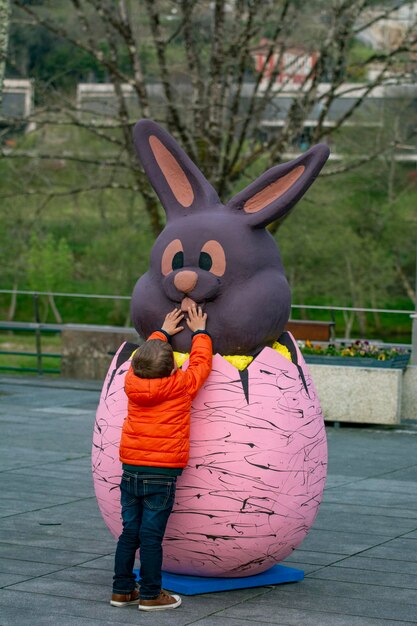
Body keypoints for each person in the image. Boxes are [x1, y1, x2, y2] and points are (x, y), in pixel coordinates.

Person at [110, 305, 212, 612]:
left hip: (131, 472)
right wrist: (201, 333)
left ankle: (122, 590)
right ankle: (152, 594)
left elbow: (143, 357)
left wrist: (161, 332)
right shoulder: (180, 386)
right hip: (162, 474)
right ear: (171, 370)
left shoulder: (131, 383)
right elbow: (200, 364)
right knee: (151, 537)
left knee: (131, 533)